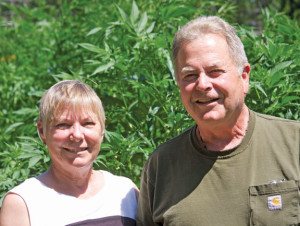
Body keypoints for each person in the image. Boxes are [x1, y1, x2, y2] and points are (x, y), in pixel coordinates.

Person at [136, 16, 300, 225]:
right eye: (190, 75)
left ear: (244, 77)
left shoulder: (294, 143)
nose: (203, 84)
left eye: (215, 72)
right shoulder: (161, 166)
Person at [0, 80, 138, 226]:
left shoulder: (125, 191)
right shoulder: (23, 203)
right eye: (63, 125)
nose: (77, 135)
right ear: (42, 131)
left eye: (87, 123)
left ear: (102, 129)